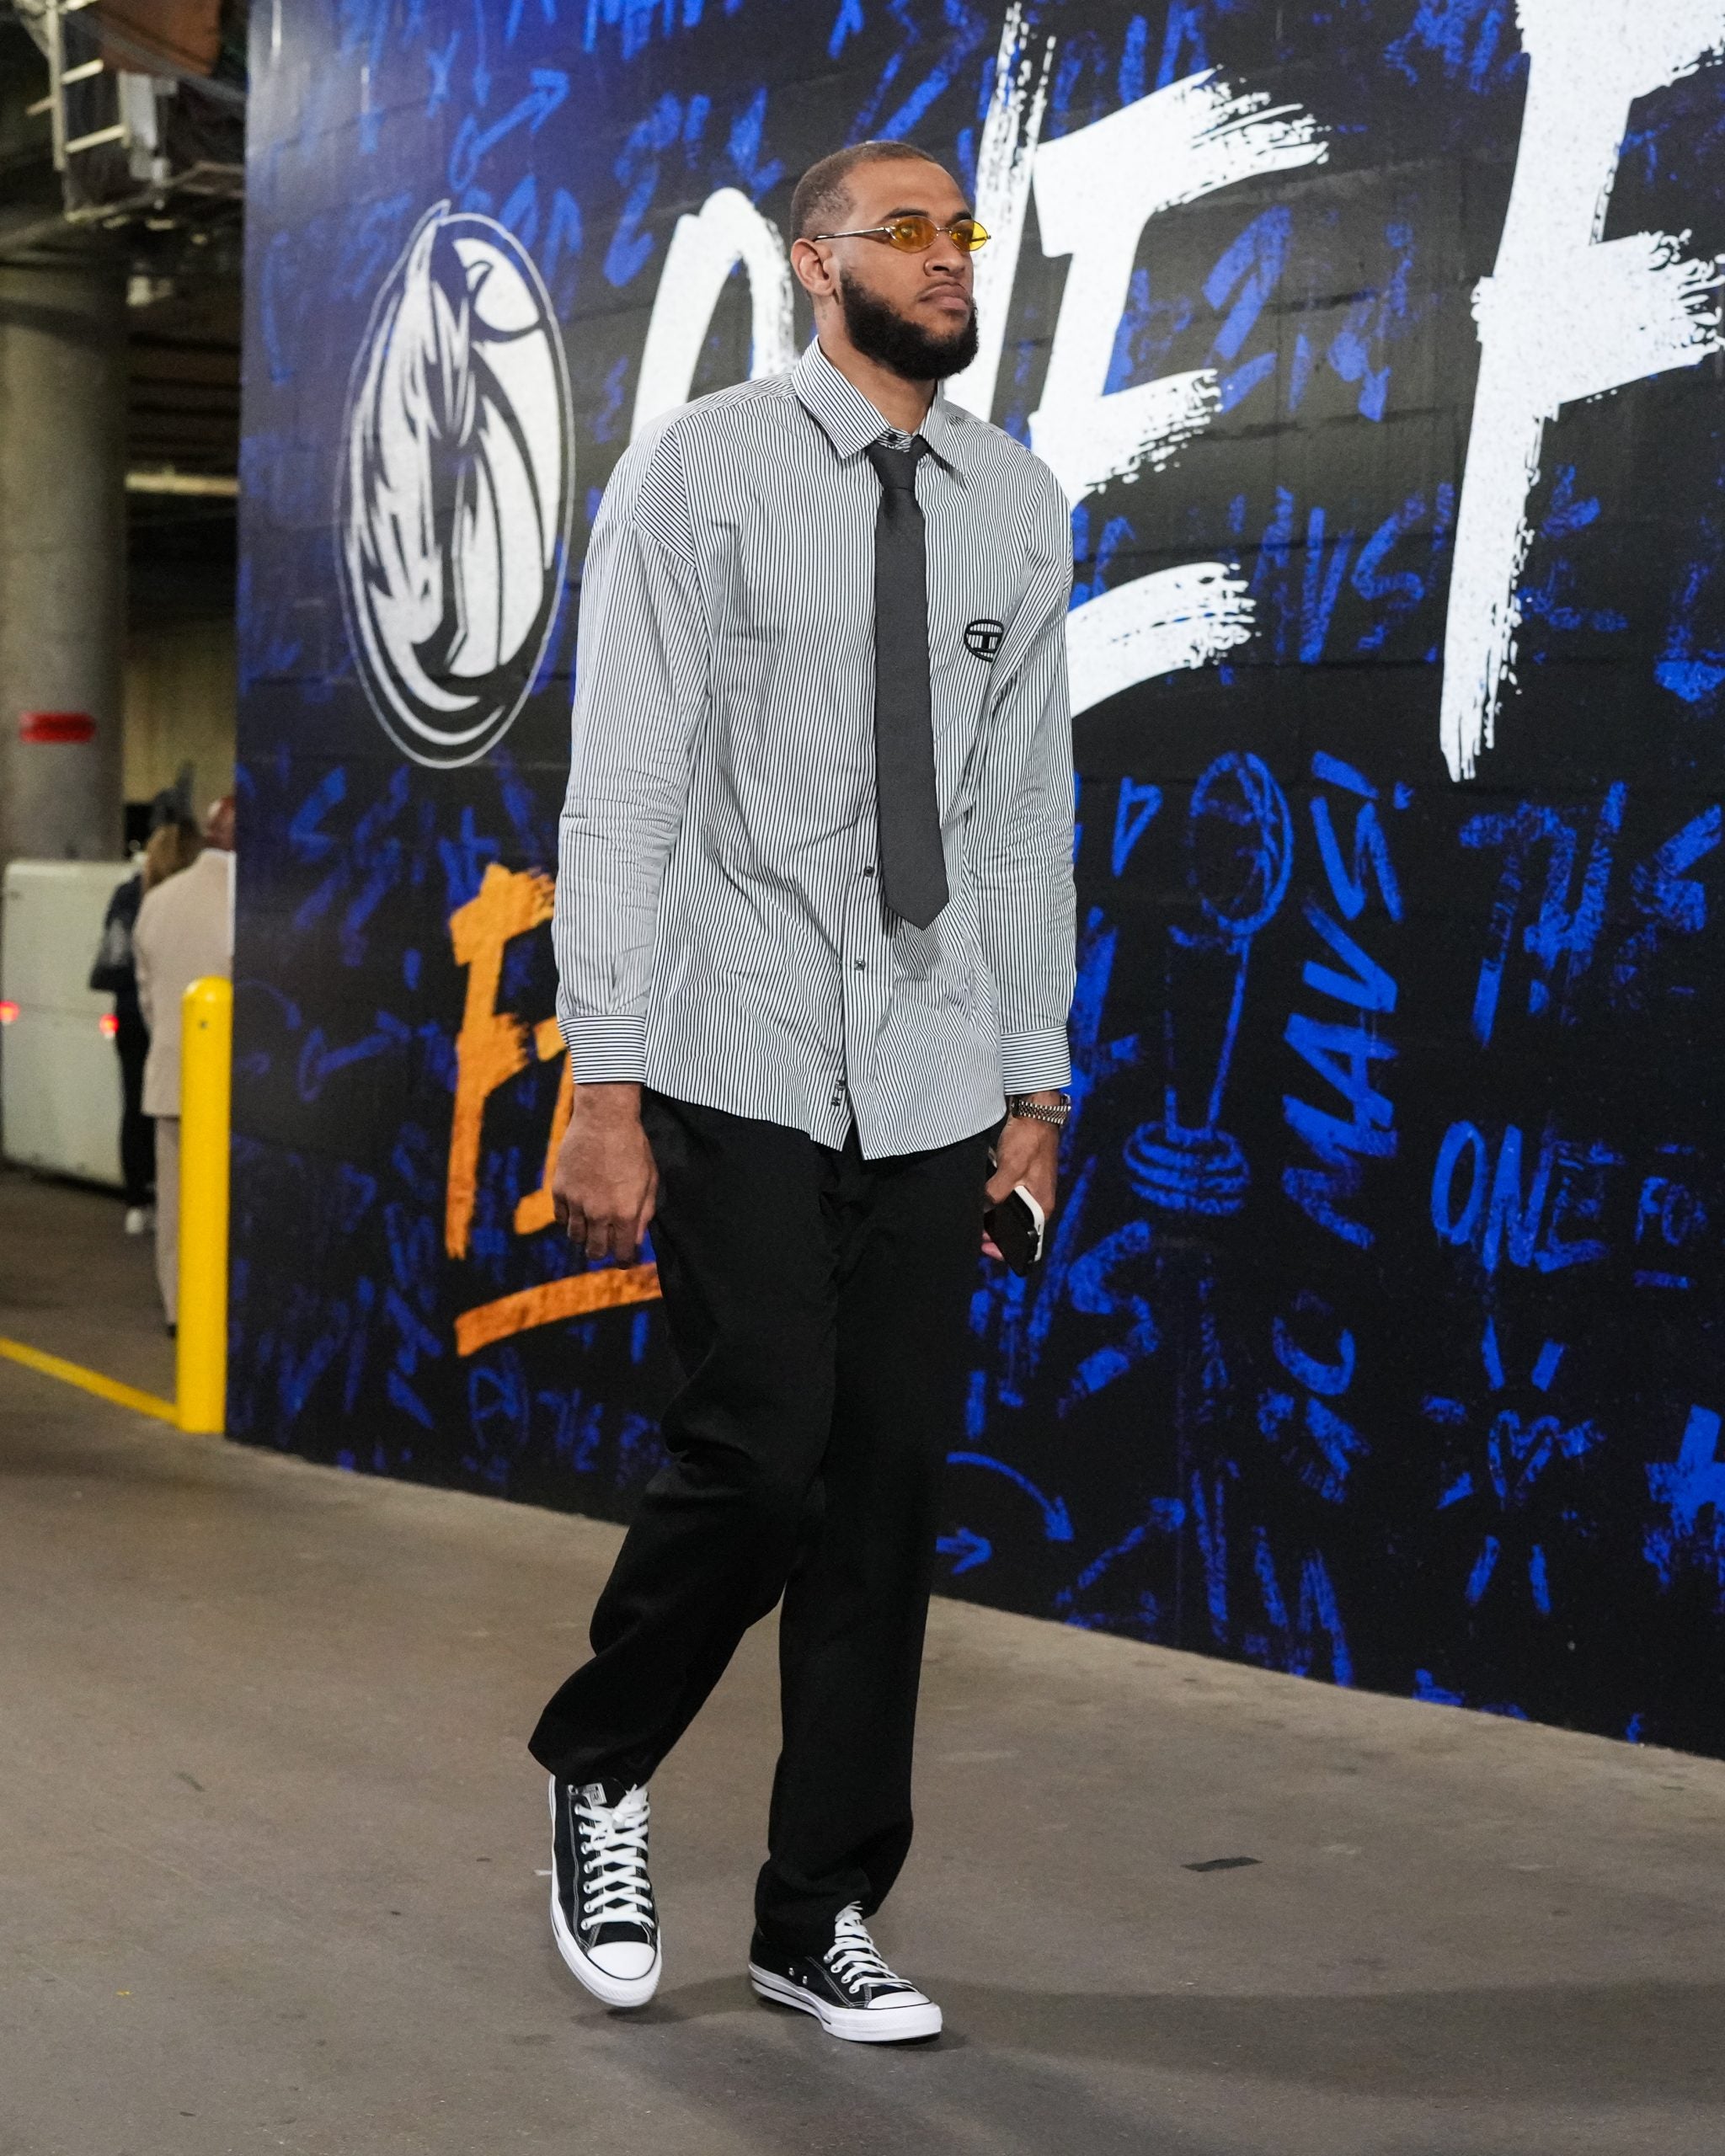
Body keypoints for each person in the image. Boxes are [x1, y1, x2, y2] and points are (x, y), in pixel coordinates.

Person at [533, 139, 1076, 2043]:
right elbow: (627, 787)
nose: (944, 258)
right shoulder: (705, 469)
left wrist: (1035, 1075)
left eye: (960, 231)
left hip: (932, 1062)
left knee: (882, 1500)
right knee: (759, 1450)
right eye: (904, 230)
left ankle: (815, 1908)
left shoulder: (1014, 499)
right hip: (734, 1032)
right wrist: (602, 1070)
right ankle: (601, 1759)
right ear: (813, 261)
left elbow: (1018, 819)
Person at [133, 798, 234, 1333]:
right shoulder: (251, 902)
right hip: (235, 1088)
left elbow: (147, 994)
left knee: (175, 1209)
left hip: (170, 1076)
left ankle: (180, 1311)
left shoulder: (159, 899)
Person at [91, 819, 203, 1234]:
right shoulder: (192, 900)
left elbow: (118, 954)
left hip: (131, 1016)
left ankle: (138, 1199)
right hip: (183, 1019)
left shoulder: (128, 895)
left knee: (137, 1104)